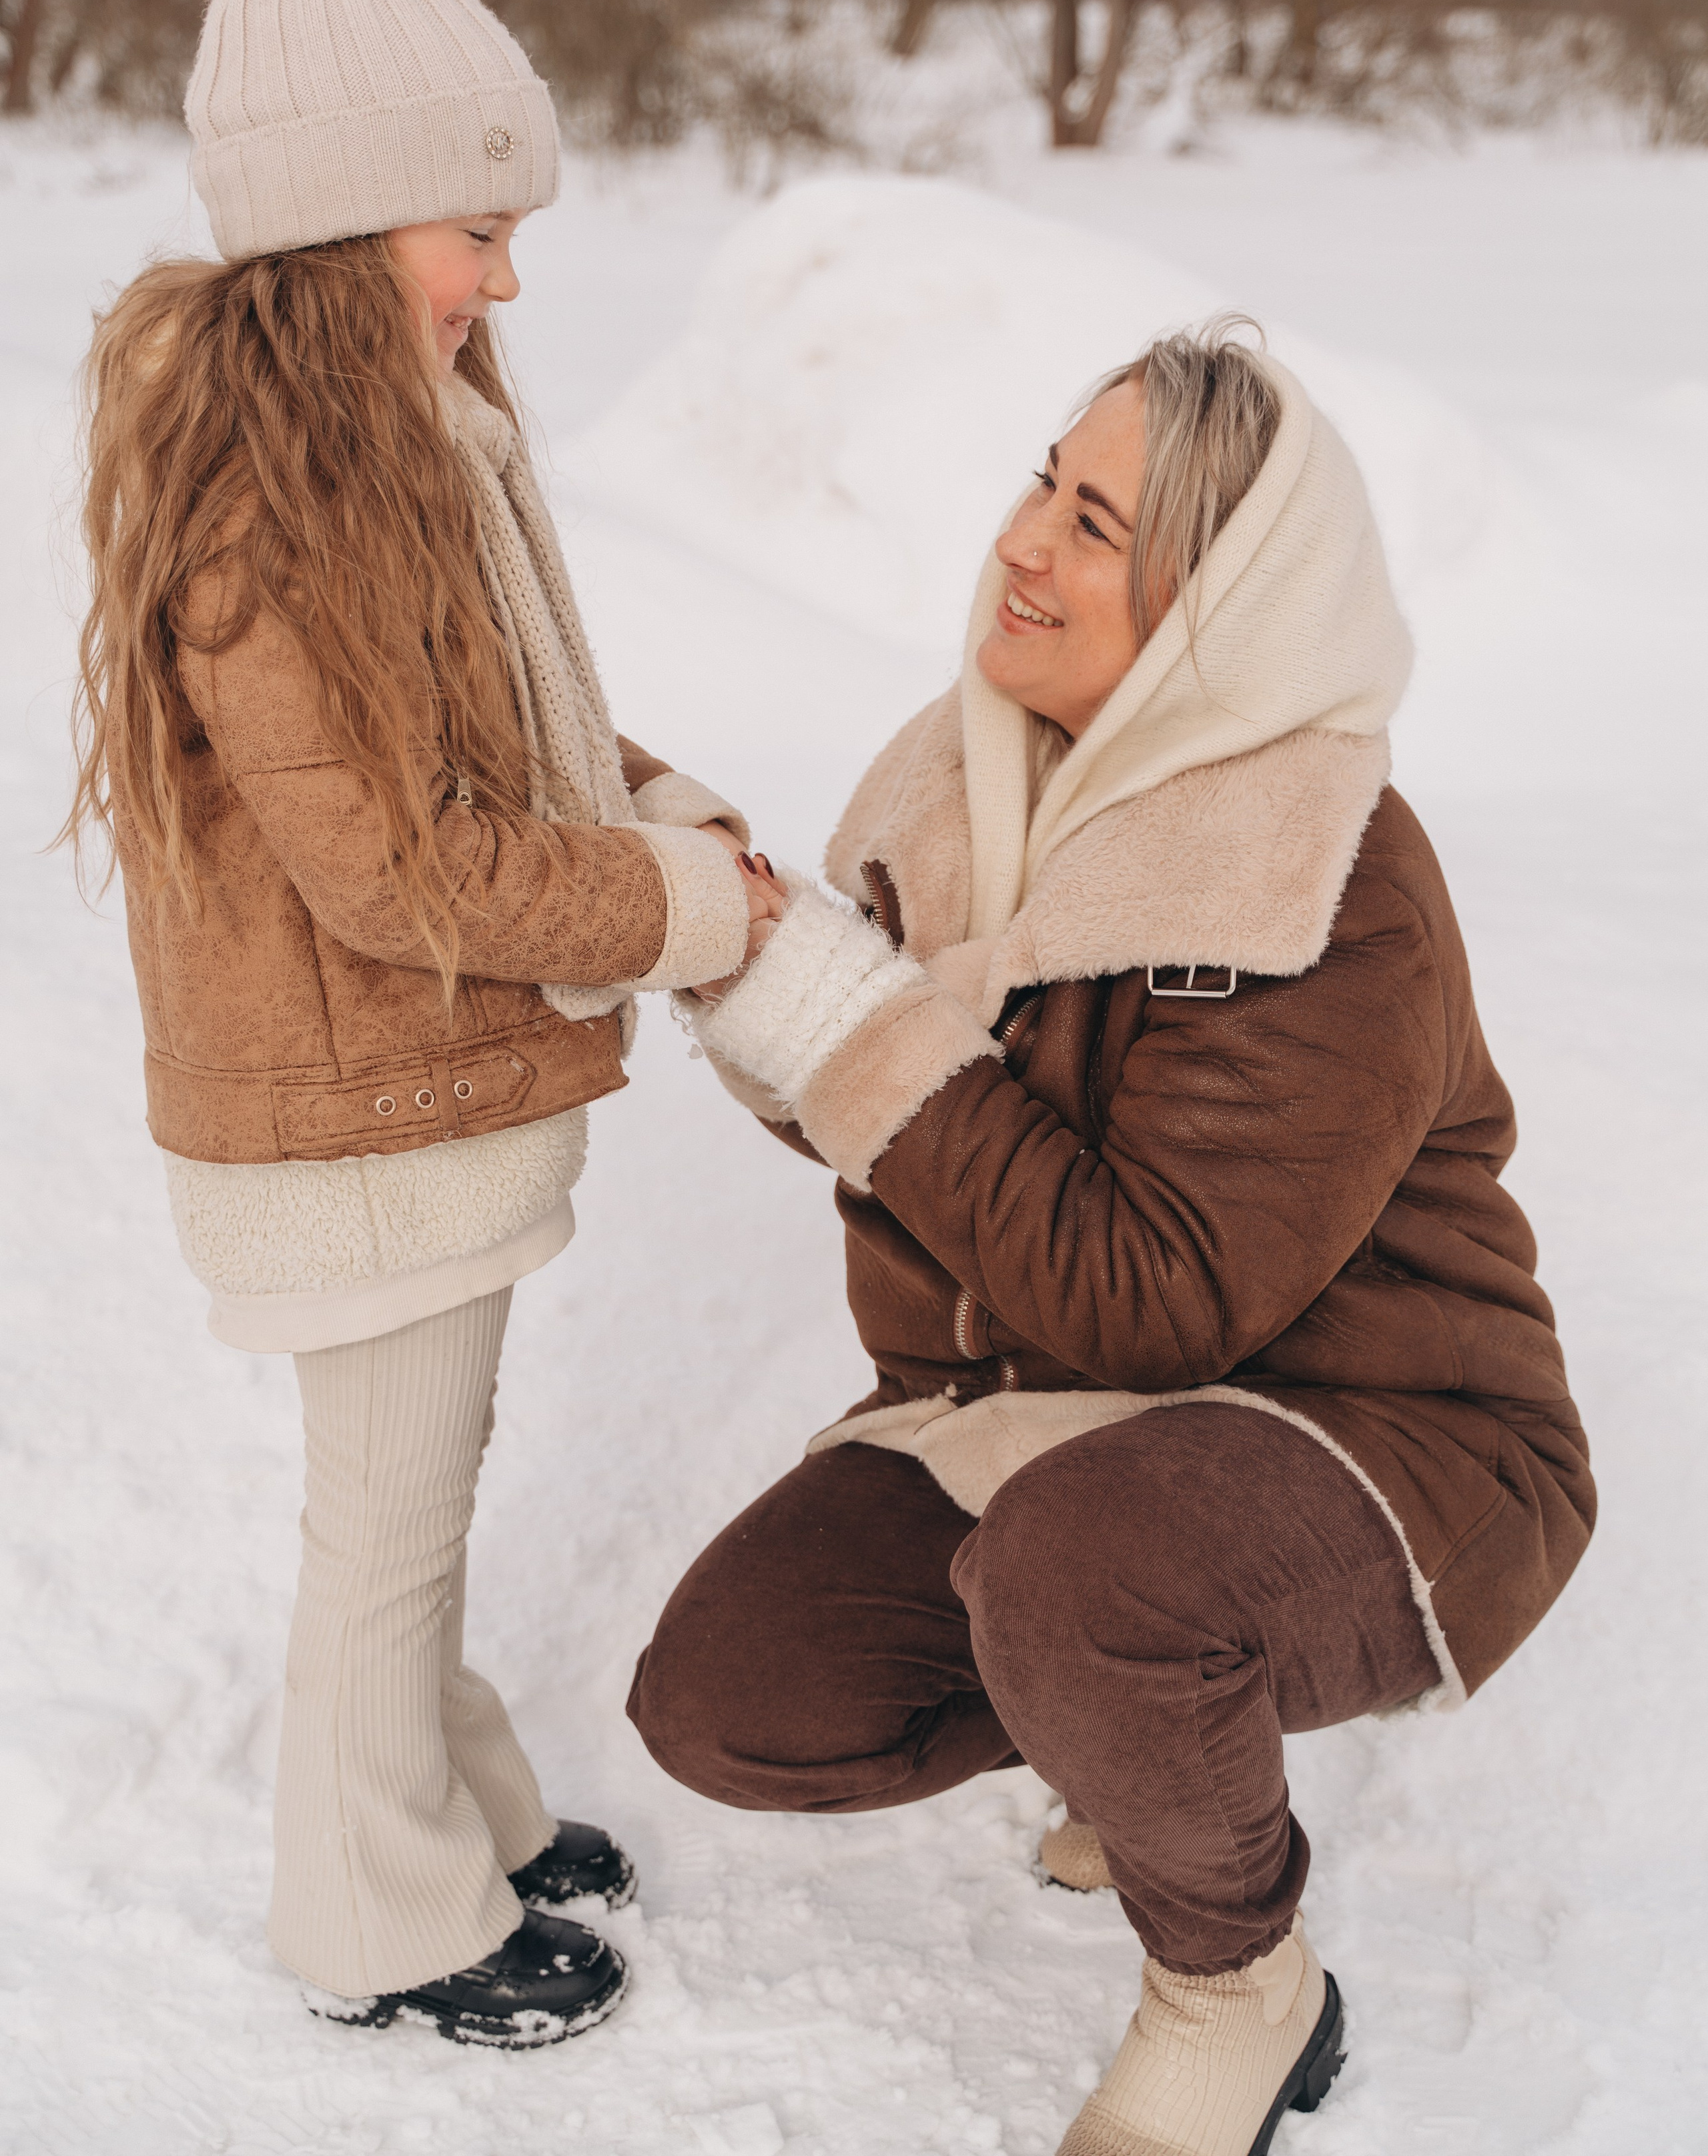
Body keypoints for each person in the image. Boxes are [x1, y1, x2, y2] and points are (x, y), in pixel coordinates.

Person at [629, 322, 1595, 2155]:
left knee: (1093, 1582)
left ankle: (1241, 1988)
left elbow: (1157, 1300)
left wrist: (839, 1012)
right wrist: (705, 916)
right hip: (1053, 1427)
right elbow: (885, 1101)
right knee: (733, 1696)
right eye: (1039, 485)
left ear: (1217, 614)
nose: (1023, 545)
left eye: (1097, 526)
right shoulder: (973, 773)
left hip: (1383, 1441)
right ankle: (1132, 1716)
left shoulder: (1331, 869)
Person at [63, 0, 779, 2050]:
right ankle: (385, 1918)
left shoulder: (410, 429)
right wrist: (676, 909)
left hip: (418, 1099)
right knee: (380, 1528)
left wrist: (655, 798)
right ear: (341, 218)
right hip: (354, 1105)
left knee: (416, 1492)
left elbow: (508, 735)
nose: (505, 269)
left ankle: (445, 1803)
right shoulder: (269, 507)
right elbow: (395, 861)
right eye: (475, 226)